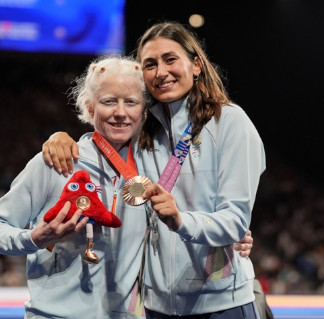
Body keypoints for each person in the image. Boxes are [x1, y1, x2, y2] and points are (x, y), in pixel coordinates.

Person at [0, 54, 253, 319]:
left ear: (144, 110)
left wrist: (227, 234)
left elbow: (185, 219)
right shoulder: (57, 163)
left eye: (131, 102)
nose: (120, 113)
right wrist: (35, 239)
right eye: (108, 101)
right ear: (90, 107)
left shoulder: (155, 169)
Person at [43, 21, 266, 318]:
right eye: (150, 64)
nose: (161, 72)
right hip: (158, 306)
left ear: (196, 65)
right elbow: (104, 143)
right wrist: (61, 138)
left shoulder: (229, 123)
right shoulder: (144, 132)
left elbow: (236, 220)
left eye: (170, 59)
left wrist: (180, 220)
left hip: (220, 302)